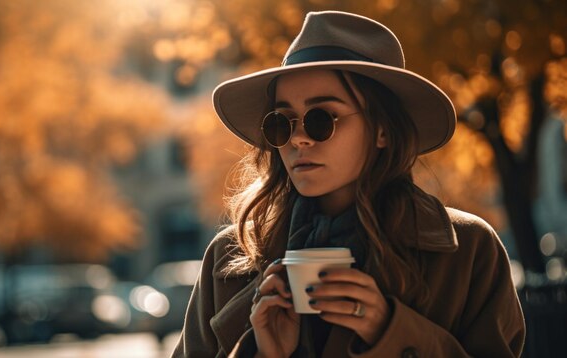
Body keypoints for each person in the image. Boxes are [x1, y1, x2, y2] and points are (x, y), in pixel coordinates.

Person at [172, 10, 525, 357]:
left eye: (321, 119)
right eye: (281, 122)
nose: (298, 139)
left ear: (382, 129)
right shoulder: (229, 259)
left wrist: (391, 333)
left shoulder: (468, 252)